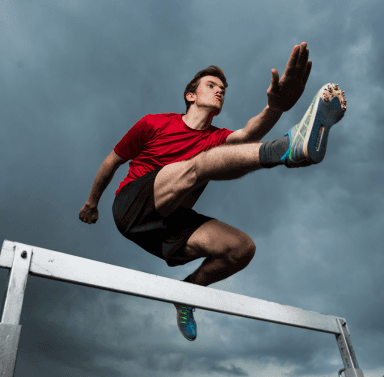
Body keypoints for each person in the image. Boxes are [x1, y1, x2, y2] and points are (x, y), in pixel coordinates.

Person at [79, 42, 346, 342]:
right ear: (190, 96)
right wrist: (92, 202)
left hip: (166, 224)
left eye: (223, 89)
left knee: (242, 249)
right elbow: (112, 161)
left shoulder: (216, 137)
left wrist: (276, 107)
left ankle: (187, 293)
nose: (220, 91)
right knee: (198, 165)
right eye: (211, 85)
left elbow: (248, 135)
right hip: (132, 204)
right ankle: (286, 149)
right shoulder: (154, 123)